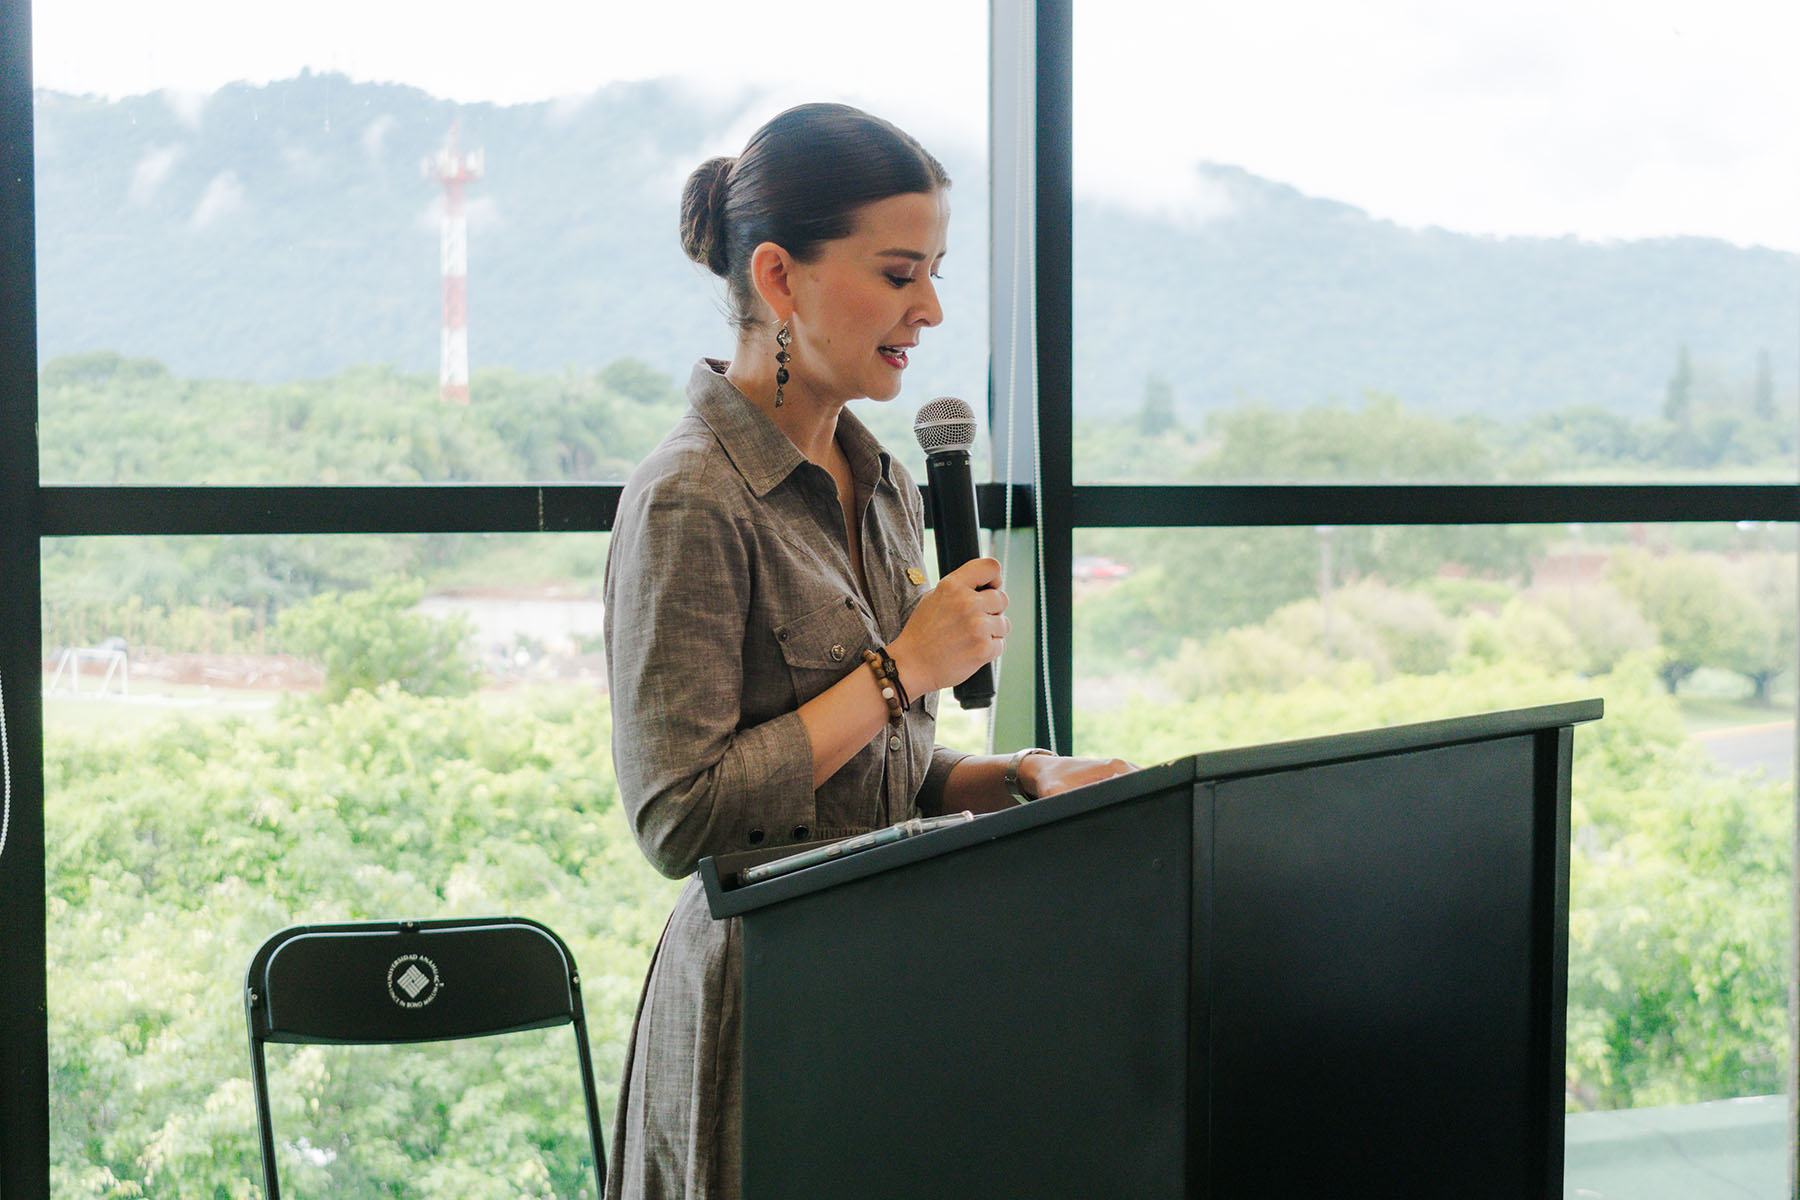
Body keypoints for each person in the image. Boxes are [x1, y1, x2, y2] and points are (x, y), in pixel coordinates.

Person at [602, 102, 1135, 1199]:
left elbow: (879, 773)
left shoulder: (885, 479)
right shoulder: (690, 499)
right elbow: (680, 813)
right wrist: (901, 670)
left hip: (896, 980)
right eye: (900, 274)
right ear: (780, 278)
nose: (930, 309)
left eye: (935, 273)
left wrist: (1011, 781)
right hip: (768, 1009)